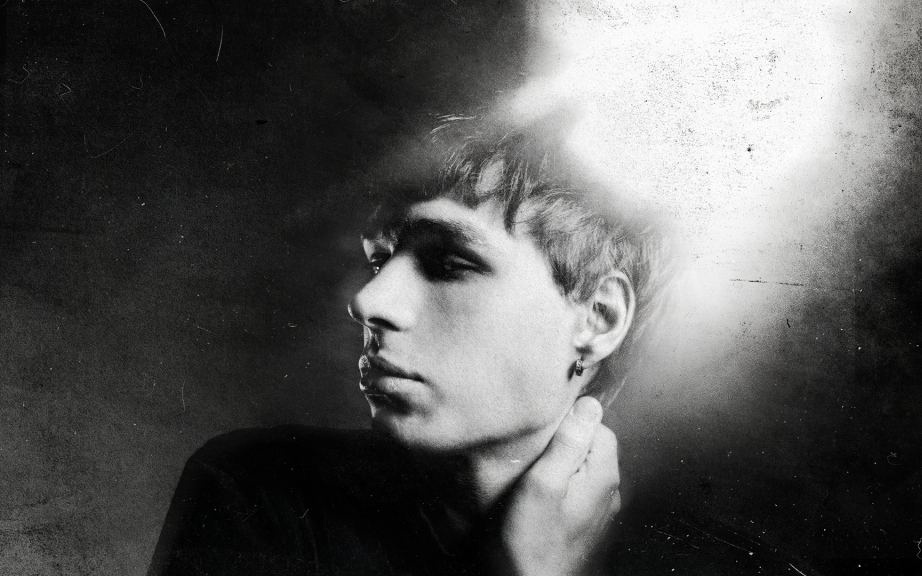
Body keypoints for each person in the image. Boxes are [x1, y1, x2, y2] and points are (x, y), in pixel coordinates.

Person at [147, 114, 675, 576]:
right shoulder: (257, 491)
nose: (368, 301)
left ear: (599, 318)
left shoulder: (690, 553)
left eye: (449, 264)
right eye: (379, 262)